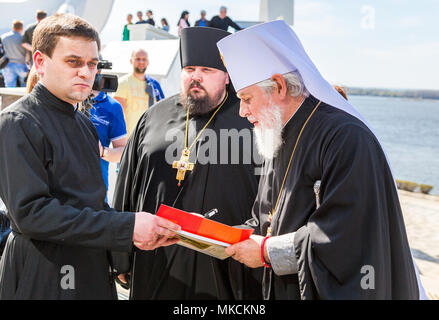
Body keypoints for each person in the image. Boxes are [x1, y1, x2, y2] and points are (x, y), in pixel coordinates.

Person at [217, 20, 423, 299]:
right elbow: (264, 219)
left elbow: (347, 241)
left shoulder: (346, 138)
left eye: (246, 98)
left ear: (278, 86)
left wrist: (266, 252)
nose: (242, 111)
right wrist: (210, 235)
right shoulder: (275, 134)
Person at [0, 13, 180, 300]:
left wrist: (133, 233)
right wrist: (126, 227)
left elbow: (92, 203)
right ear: (39, 62)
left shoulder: (84, 123)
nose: (86, 72)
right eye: (73, 62)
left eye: (92, 64)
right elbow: (31, 215)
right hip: (45, 272)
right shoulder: (17, 122)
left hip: (89, 265)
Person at [112, 26, 262, 300]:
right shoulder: (153, 118)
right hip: (156, 257)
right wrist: (120, 254)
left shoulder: (250, 119)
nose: (196, 77)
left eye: (206, 70)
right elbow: (127, 184)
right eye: (190, 68)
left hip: (228, 263)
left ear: (227, 76)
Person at [113, 48, 164, 137]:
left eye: (144, 59)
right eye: (138, 59)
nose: (141, 62)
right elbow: (118, 117)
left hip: (149, 136)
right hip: (130, 139)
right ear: (131, 61)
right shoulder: (123, 83)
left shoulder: (153, 85)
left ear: (148, 62)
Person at [89, 87, 128, 194]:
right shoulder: (63, 97)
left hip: (95, 191)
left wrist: (101, 151)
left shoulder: (112, 106)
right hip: (60, 189)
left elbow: (122, 153)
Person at [0, 20, 28, 87]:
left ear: (13, 27)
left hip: (7, 65)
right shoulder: (23, 38)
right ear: (21, 28)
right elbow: (27, 53)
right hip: (21, 64)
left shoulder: (3, 37)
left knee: (9, 87)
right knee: (24, 86)